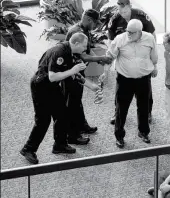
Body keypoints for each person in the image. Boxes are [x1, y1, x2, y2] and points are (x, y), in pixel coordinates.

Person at [20, 33, 94, 164]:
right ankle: (28, 149)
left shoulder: (70, 52)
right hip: (41, 86)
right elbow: (52, 76)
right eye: (84, 45)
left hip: (53, 87)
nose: (85, 47)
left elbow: (74, 74)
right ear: (76, 44)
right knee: (43, 120)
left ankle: (60, 145)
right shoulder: (60, 52)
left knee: (62, 114)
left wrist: (91, 86)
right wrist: (73, 70)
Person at [105, 19, 158, 148]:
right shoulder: (120, 39)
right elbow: (110, 55)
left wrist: (154, 66)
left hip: (144, 79)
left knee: (144, 107)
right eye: (127, 31)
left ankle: (143, 132)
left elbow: (154, 56)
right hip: (124, 80)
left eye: (132, 32)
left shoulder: (149, 38)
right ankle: (119, 136)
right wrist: (105, 72)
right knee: (121, 109)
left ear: (140, 32)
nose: (128, 34)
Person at [64, 9, 112, 145]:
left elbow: (87, 52)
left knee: (77, 101)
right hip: (72, 72)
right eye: (95, 23)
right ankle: (72, 136)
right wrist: (101, 57)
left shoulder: (84, 30)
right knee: (72, 103)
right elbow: (82, 55)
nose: (96, 26)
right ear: (89, 20)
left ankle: (81, 125)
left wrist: (98, 60)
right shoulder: (76, 32)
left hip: (79, 70)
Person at [107, 0, 156, 125]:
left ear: (130, 6)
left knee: (146, 89)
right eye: (120, 10)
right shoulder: (115, 19)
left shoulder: (142, 16)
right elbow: (111, 39)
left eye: (124, 10)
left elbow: (153, 36)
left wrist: (153, 63)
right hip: (124, 56)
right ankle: (116, 111)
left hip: (143, 56)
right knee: (120, 91)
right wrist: (111, 57)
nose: (122, 13)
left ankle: (148, 113)